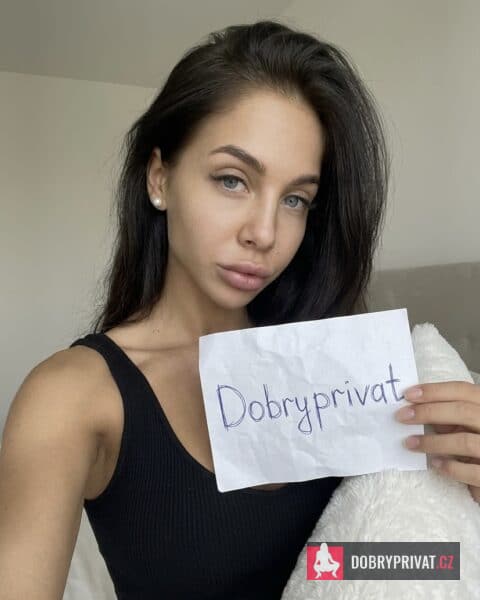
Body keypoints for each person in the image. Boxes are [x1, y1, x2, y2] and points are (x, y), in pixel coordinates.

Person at [0, 19, 391, 600]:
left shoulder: (332, 371)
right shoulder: (73, 399)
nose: (265, 232)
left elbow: (375, 569)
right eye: (233, 180)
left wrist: (466, 498)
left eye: (295, 199)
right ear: (160, 178)